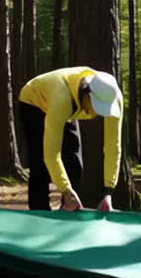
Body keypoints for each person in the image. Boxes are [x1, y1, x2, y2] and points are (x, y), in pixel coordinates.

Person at [17, 67, 123, 211]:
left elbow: (113, 146)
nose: (99, 114)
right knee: (40, 163)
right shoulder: (62, 99)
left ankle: (67, 207)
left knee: (74, 163)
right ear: (87, 94)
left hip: (68, 105)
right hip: (33, 101)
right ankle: (40, 215)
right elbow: (51, 154)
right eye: (97, 107)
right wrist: (65, 189)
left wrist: (108, 192)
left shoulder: (114, 99)